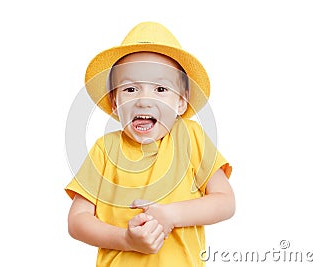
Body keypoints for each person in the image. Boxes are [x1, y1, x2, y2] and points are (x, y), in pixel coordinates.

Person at [65, 21, 235, 266]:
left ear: (180, 102)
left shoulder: (190, 136)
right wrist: (126, 240)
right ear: (115, 103)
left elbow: (225, 201)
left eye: (160, 88)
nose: (144, 100)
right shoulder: (104, 149)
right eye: (131, 88)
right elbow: (77, 220)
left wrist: (169, 215)